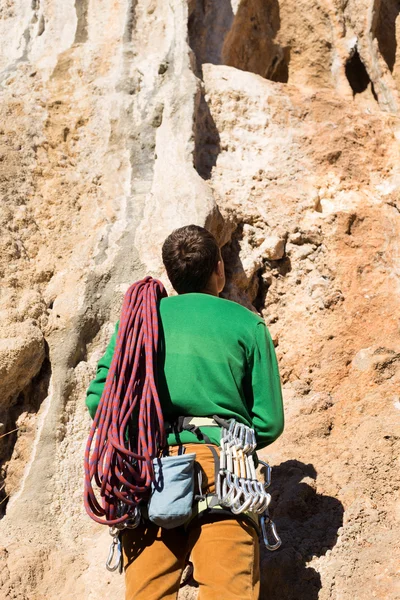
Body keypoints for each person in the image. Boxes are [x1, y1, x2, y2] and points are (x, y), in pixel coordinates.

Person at [86, 224, 284, 600]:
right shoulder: (247, 324)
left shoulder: (137, 325)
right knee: (229, 592)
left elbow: (100, 399)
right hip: (226, 472)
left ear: (172, 275)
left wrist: (147, 421)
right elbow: (269, 422)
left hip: (145, 473)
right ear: (220, 269)